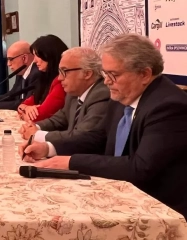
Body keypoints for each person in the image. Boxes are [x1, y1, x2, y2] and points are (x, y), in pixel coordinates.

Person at [21, 34, 187, 218]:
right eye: (105, 74)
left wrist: (70, 161)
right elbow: (97, 138)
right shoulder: (122, 96)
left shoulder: (168, 107)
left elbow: (140, 167)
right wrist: (49, 148)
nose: (106, 81)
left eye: (113, 75)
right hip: (122, 196)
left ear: (144, 74)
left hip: (162, 211)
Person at [19, 47, 110, 145]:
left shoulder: (101, 95)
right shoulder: (73, 94)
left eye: (65, 71)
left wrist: (38, 135)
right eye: (59, 72)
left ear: (87, 73)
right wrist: (35, 126)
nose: (60, 78)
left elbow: (82, 136)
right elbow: (59, 120)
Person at [17, 35, 68, 123]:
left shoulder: (61, 81)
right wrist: (26, 108)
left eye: (38, 56)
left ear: (50, 55)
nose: (35, 60)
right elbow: (22, 106)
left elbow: (39, 116)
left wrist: (25, 112)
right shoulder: (44, 78)